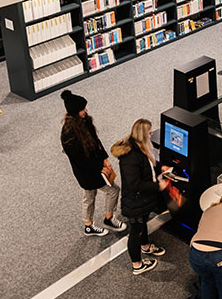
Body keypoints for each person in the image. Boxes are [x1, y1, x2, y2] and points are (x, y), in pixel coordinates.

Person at [60, 90, 126, 237]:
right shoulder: (69, 134)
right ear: (75, 112)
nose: (86, 110)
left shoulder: (85, 121)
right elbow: (81, 161)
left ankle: (88, 225)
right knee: (113, 191)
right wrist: (101, 169)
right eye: (83, 109)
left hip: (94, 167)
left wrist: (105, 159)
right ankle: (108, 218)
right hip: (88, 172)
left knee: (89, 196)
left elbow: (96, 142)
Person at [111, 119, 169, 275]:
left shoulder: (139, 147)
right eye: (149, 133)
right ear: (143, 135)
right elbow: (135, 183)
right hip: (135, 202)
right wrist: (158, 186)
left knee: (142, 224)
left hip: (142, 201)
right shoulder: (130, 157)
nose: (151, 135)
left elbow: (147, 165)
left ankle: (146, 246)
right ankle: (137, 264)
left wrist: (159, 167)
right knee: (135, 232)